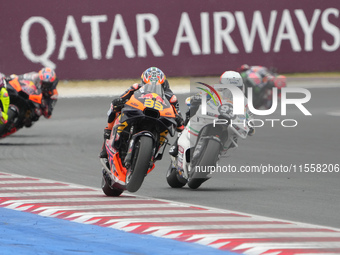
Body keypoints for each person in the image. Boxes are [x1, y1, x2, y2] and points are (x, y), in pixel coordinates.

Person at [99, 67, 184, 158]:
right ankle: (108, 134)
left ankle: (152, 153)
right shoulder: (136, 88)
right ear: (143, 82)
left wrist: (179, 120)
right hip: (139, 112)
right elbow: (121, 98)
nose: (153, 88)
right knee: (114, 107)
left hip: (159, 119)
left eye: (157, 85)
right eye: (149, 85)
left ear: (163, 84)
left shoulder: (171, 97)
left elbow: (178, 117)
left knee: (170, 129)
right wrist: (119, 102)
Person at [169, 70, 254, 157]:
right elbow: (199, 95)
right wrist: (196, 98)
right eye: (228, 88)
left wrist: (250, 125)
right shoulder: (213, 90)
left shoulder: (244, 101)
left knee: (236, 135)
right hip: (210, 115)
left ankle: (217, 153)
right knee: (192, 107)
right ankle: (178, 140)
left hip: (229, 124)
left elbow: (249, 116)